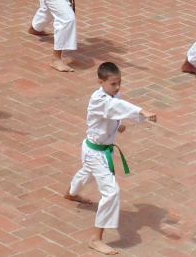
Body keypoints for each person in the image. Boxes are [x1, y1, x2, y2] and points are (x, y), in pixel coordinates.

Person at [63, 62, 158, 255]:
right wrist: (141, 111)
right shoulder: (99, 99)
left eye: (119, 83)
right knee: (112, 192)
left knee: (87, 172)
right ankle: (95, 239)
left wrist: (121, 124)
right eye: (113, 84)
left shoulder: (114, 96)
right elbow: (115, 107)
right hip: (95, 152)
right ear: (101, 82)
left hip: (97, 151)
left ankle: (71, 193)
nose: (117, 87)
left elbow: (116, 111)